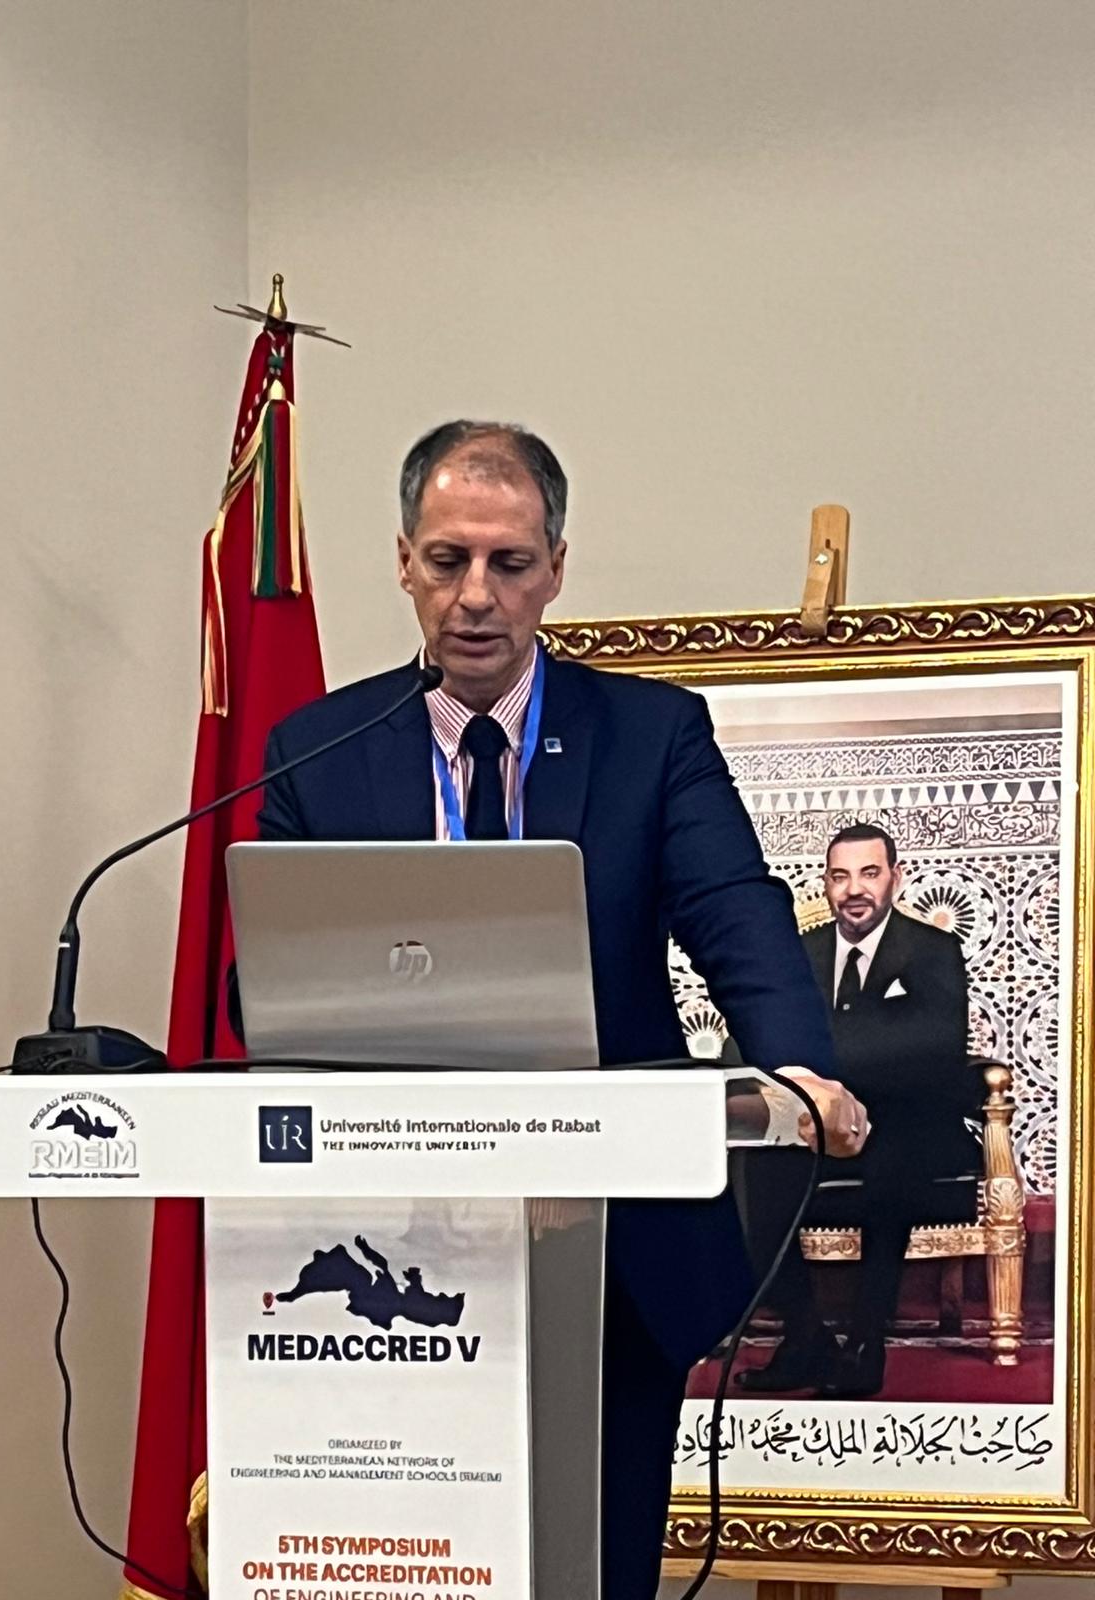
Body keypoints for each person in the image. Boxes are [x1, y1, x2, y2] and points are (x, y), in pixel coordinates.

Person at [256, 419, 868, 1599]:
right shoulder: (316, 751)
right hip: (387, 1251)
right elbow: (271, 984)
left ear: (556, 570)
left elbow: (733, 909)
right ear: (403, 561)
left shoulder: (651, 734)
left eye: (510, 562)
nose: (476, 595)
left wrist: (798, 1067)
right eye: (448, 560)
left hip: (608, 1248)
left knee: (599, 1563)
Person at [736, 822, 982, 1400]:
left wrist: (825, 1052)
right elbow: (761, 1036)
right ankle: (805, 1337)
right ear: (826, 884)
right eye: (840, 876)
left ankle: (866, 1344)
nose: (854, 889)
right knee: (753, 1165)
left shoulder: (932, 948)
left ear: (896, 878)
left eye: (869, 873)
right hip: (819, 1122)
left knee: (893, 1158)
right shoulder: (803, 952)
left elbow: (936, 1044)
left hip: (911, 1118)